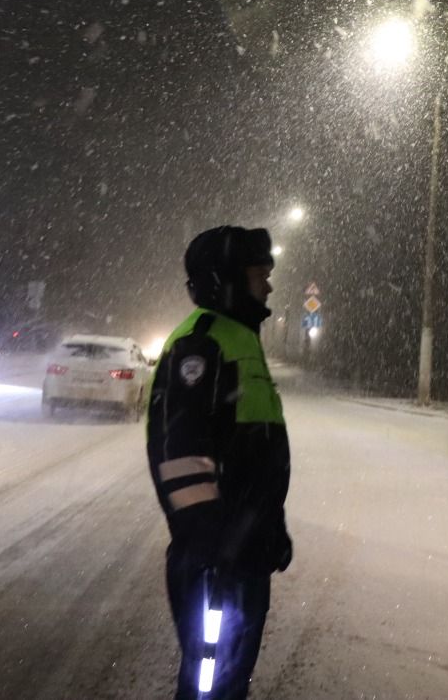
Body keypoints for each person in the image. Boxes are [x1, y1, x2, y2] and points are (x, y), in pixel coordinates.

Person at [147, 225, 293, 699]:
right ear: (227, 279)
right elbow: (179, 454)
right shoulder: (201, 343)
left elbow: (253, 455)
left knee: (228, 681)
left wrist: (271, 526)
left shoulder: (240, 338)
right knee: (209, 686)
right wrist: (213, 542)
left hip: (243, 552)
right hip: (215, 559)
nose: (267, 286)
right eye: (258, 275)